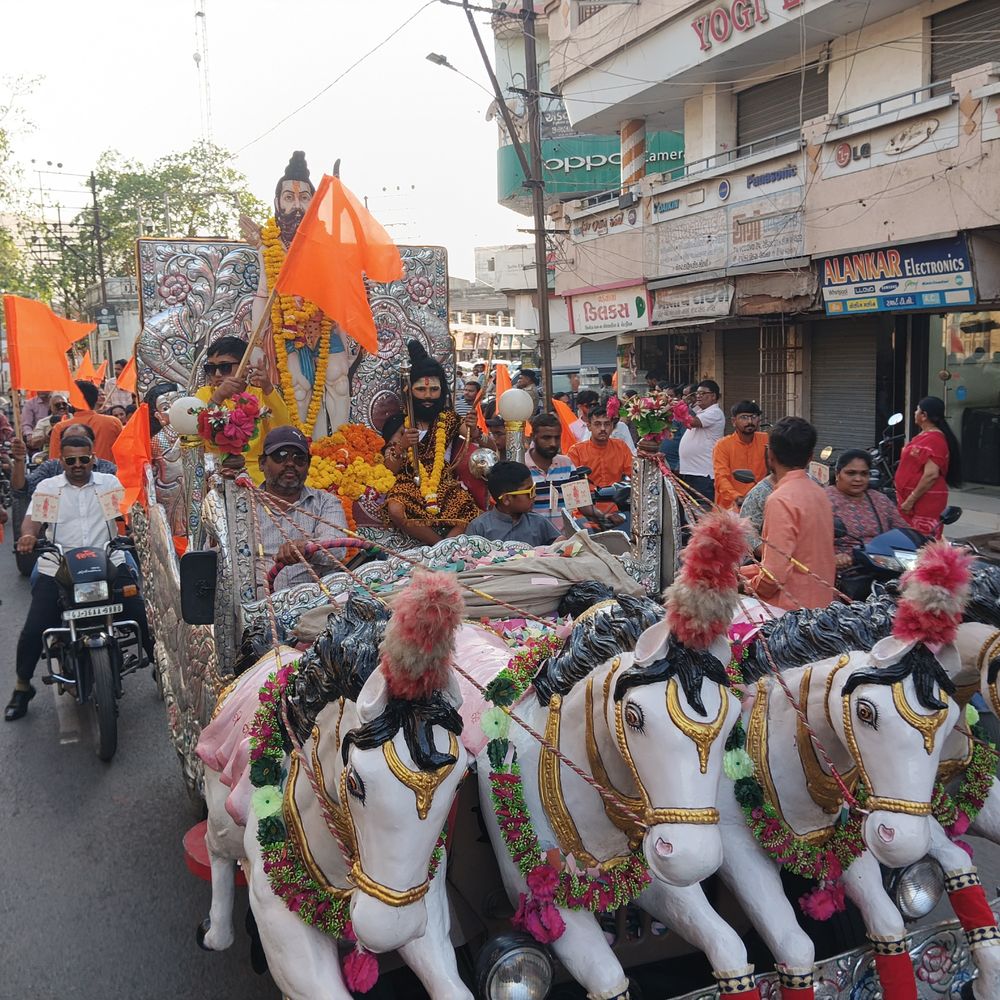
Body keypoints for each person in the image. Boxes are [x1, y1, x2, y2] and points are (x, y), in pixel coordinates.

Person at [6, 433, 153, 721]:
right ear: (62, 461)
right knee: (35, 628)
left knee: (141, 614)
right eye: (71, 460)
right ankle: (22, 687)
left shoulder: (107, 484)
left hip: (107, 560)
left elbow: (126, 515)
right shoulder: (50, 487)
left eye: (83, 459)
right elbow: (33, 521)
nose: (77, 465)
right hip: (59, 566)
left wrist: (136, 529)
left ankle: (161, 669)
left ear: (92, 459)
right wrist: (26, 536)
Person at [252, 150, 353, 436]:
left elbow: (341, 293)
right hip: (287, 329)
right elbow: (262, 294)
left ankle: (339, 449)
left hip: (324, 324)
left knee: (338, 380)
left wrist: (347, 339)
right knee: (298, 388)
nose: (297, 206)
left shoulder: (328, 244)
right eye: (289, 198)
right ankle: (304, 452)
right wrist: (257, 343)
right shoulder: (269, 246)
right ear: (277, 203)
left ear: (314, 203)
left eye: (304, 198)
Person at [383, 340, 481, 545]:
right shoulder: (400, 422)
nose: (428, 396)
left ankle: (437, 551)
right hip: (409, 481)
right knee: (395, 509)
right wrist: (402, 446)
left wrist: (475, 429)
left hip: (444, 482)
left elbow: (478, 439)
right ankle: (439, 548)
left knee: (469, 513)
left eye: (434, 389)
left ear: (442, 391)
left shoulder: (450, 419)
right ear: (409, 390)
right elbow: (390, 468)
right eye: (421, 390)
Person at [740, 417, 836, 611]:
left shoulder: (780, 499)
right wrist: (742, 573)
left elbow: (774, 574)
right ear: (810, 457)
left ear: (770, 456)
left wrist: (746, 587)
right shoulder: (820, 493)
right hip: (822, 606)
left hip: (789, 613)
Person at [256, 426, 348, 592]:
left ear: (308, 465)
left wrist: (307, 549)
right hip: (257, 607)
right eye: (281, 456)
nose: (290, 463)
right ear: (262, 463)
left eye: (299, 458)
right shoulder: (244, 506)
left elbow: (337, 548)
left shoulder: (326, 503)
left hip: (314, 607)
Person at [194, 335, 291, 485]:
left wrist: (267, 388)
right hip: (216, 471)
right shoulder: (204, 394)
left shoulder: (261, 394)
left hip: (256, 472)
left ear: (245, 368)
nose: (218, 374)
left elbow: (284, 431)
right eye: (211, 369)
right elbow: (203, 436)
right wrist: (217, 398)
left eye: (224, 367)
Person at [828, 449, 908, 596]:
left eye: (864, 474)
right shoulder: (823, 500)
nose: (858, 479)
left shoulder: (880, 500)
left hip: (884, 569)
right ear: (838, 474)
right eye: (851, 473)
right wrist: (833, 559)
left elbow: (904, 531)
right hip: (844, 576)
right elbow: (810, 545)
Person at [895, 396, 962, 537]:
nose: (914, 413)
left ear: (924, 415)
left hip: (924, 500)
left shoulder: (935, 440)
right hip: (909, 498)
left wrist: (910, 500)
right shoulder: (924, 435)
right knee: (907, 539)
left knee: (920, 542)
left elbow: (931, 475)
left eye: (917, 410)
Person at [465, 461, 560, 546]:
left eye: (534, 489)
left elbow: (560, 547)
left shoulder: (539, 523)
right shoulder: (479, 528)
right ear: (506, 499)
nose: (534, 496)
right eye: (530, 492)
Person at [568, 407, 633, 528]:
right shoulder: (576, 451)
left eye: (607, 424)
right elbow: (573, 491)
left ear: (612, 426)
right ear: (589, 426)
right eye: (597, 424)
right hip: (585, 515)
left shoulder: (621, 447)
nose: (603, 429)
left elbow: (636, 477)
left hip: (617, 513)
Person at [713, 400, 768, 510]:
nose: (750, 421)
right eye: (744, 417)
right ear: (734, 421)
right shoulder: (723, 445)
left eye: (753, 417)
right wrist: (737, 497)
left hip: (759, 504)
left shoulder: (766, 440)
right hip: (731, 508)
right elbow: (721, 477)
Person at [49, 380, 123, 461]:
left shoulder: (60, 428)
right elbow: (124, 453)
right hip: (110, 471)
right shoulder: (112, 423)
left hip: (74, 473)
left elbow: (54, 462)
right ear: (96, 399)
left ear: (73, 401)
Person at [677, 380, 725, 503]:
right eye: (697, 393)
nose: (698, 396)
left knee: (702, 512)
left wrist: (679, 408)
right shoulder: (701, 412)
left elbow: (692, 422)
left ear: (713, 396)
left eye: (702, 393)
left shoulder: (715, 412)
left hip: (703, 473)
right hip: (692, 471)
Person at [524, 413, 574, 528]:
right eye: (546, 438)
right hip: (533, 539)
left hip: (563, 539)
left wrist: (602, 516)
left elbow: (581, 503)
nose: (553, 443)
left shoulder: (567, 464)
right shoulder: (521, 467)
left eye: (557, 438)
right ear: (533, 437)